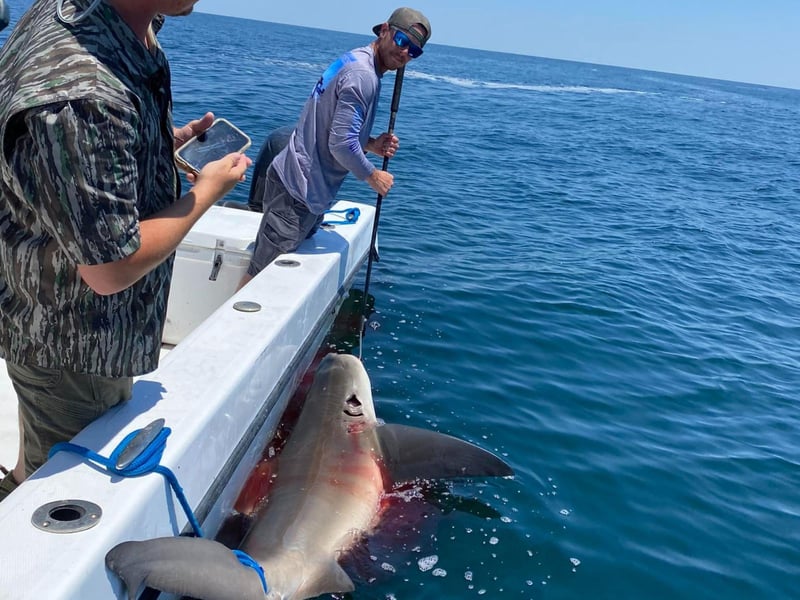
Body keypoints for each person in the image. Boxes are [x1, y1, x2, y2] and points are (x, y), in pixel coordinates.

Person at [0, 0, 251, 501]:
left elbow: (73, 165)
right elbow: (110, 269)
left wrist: (155, 144)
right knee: (55, 495)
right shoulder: (84, 95)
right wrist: (206, 192)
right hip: (72, 343)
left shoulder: (79, 15)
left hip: (48, 310)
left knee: (42, 457)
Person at [239, 7, 431, 288]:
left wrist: (371, 145)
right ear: (385, 30)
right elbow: (341, 144)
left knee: (270, 273)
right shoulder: (363, 77)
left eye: (414, 51)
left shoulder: (357, 60)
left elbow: (333, 128)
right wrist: (372, 176)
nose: (404, 53)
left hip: (301, 188)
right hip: (297, 192)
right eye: (402, 41)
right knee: (260, 278)